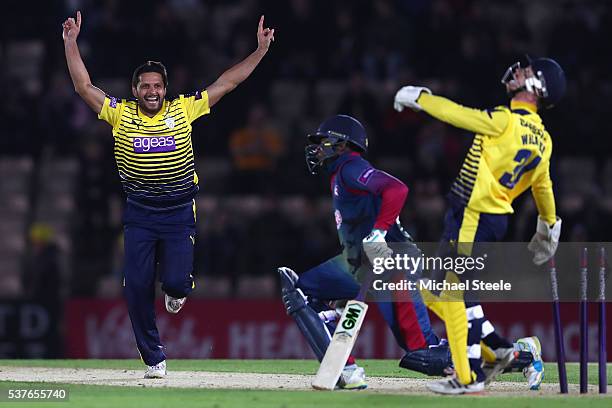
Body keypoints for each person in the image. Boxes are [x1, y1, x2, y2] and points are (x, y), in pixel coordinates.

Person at [62, 10, 275, 378]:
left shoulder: (183, 108)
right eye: (145, 86)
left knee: (175, 283)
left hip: (178, 212)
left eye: (157, 85)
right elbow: (83, 87)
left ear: (165, 88)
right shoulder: (119, 114)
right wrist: (70, 43)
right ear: (135, 90)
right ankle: (154, 357)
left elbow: (226, 83)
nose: (151, 91)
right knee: (136, 287)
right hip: (140, 213)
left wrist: (259, 51)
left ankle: (177, 290)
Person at [393, 56, 566, 394]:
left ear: (538, 87)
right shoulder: (543, 140)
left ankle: (468, 375)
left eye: (527, 73)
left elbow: (459, 115)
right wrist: (548, 224)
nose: (518, 73)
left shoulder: (505, 120)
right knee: (434, 292)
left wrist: (420, 98)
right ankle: (503, 349)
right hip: (488, 219)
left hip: (473, 216)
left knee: (453, 293)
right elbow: (542, 188)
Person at [278, 114, 452, 390]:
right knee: (301, 291)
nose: (318, 148)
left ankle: (515, 354)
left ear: (342, 144)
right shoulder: (340, 173)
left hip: (393, 262)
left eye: (324, 141)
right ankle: (345, 368)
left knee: (425, 355)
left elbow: (397, 189)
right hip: (363, 264)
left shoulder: (351, 166)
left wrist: (379, 232)